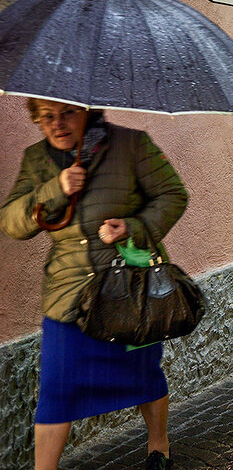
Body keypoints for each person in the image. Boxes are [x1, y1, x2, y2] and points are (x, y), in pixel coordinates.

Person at [3, 99, 187, 470]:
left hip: (129, 291)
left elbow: (173, 194)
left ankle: (159, 447)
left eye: (67, 113)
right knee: (56, 386)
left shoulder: (131, 144)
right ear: (37, 120)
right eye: (47, 117)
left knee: (143, 374)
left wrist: (133, 228)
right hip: (68, 294)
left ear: (86, 110)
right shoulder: (36, 159)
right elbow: (12, 222)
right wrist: (55, 188)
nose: (58, 125)